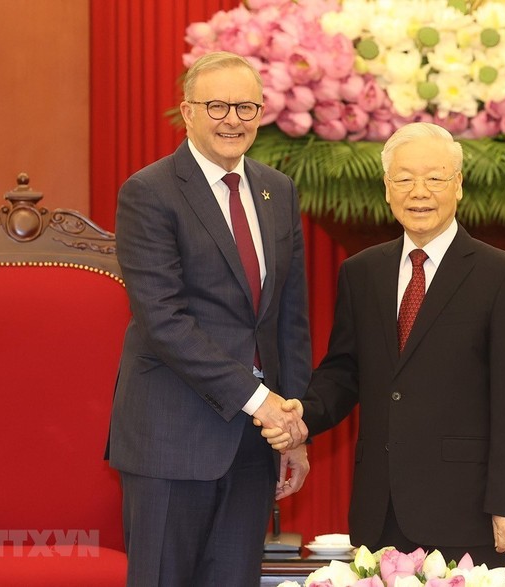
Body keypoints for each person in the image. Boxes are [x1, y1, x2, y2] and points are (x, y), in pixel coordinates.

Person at [262, 122, 505, 567]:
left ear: (459, 186)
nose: (419, 192)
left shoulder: (503, 276)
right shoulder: (362, 272)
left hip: (465, 511)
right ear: (387, 189)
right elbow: (344, 371)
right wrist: (303, 416)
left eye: (434, 178)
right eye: (404, 179)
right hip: (381, 507)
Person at [106, 51, 311, 586]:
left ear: (262, 113)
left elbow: (289, 319)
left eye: (246, 106)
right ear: (187, 112)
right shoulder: (149, 193)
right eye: (216, 105)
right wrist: (260, 400)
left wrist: (293, 428)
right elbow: (163, 320)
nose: (232, 119)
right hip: (170, 440)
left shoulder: (278, 191)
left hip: (253, 445)